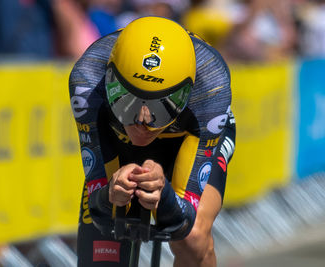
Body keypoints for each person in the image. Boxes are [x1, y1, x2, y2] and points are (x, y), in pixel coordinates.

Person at [69, 16, 236, 267]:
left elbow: (183, 220)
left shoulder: (211, 85)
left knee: (193, 238)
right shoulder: (87, 77)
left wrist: (166, 193)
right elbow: (100, 212)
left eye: (161, 107)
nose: (142, 121)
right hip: (117, 145)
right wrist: (109, 193)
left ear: (186, 92)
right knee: (102, 249)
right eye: (127, 103)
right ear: (110, 81)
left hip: (189, 141)